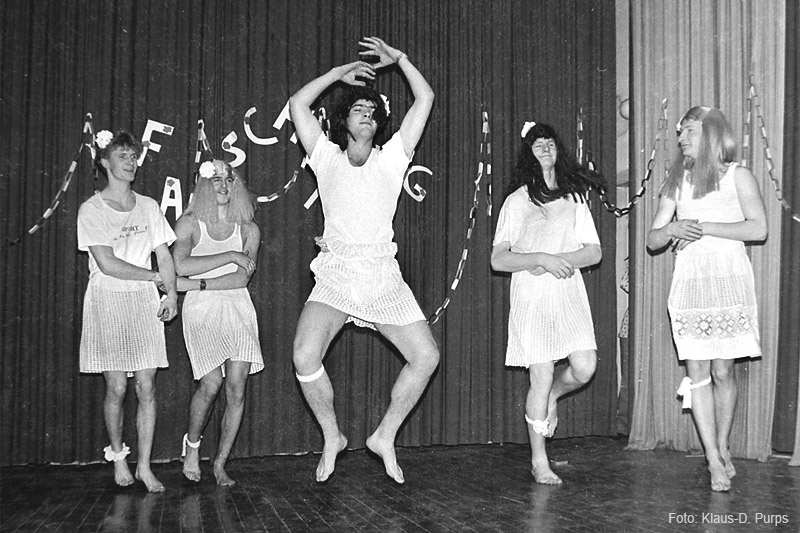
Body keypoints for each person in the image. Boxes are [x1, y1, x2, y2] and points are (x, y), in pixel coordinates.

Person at [288, 36, 439, 484]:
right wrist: (338, 75)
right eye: (358, 109)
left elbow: (425, 98)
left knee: (426, 357)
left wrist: (401, 59)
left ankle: (384, 435)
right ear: (343, 120)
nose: (367, 114)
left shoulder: (392, 158)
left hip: (381, 275)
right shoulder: (326, 157)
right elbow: (297, 104)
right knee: (304, 355)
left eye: (373, 110)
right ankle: (332, 435)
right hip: (336, 273)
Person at [647, 106, 766, 492]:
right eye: (680, 132)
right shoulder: (676, 180)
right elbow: (653, 239)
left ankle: (722, 445)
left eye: (690, 131)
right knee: (697, 372)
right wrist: (672, 229)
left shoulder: (738, 176)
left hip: (729, 280)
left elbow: (758, 229)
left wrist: (700, 226)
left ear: (712, 134)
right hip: (691, 283)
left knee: (723, 372)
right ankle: (713, 458)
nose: (681, 138)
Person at [491, 121, 604, 484]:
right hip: (532, 294)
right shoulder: (516, 201)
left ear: (558, 150)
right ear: (528, 153)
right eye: (537, 144)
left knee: (584, 367)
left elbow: (594, 252)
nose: (544, 148)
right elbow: (498, 259)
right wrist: (539, 258)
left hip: (567, 292)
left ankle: (554, 395)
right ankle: (539, 461)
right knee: (539, 375)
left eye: (550, 143)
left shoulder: (574, 198)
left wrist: (559, 260)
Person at [77, 130, 178, 493]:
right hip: (108, 299)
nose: (131, 162)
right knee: (117, 387)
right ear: (105, 162)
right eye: (122, 156)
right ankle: (119, 457)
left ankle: (145, 467)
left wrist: (171, 296)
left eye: (134, 156)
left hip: (143, 302)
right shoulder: (91, 209)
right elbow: (107, 263)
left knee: (146, 385)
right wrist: (154, 278)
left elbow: (164, 255)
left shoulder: (149, 206)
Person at [172, 159, 263, 486]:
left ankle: (221, 463)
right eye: (216, 180)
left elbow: (240, 280)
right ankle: (192, 446)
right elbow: (179, 265)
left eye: (229, 180)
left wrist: (196, 283)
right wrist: (230, 255)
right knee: (211, 384)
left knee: (236, 388)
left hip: (237, 306)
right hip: (202, 310)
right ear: (203, 186)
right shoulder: (189, 223)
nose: (224, 186)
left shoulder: (249, 229)